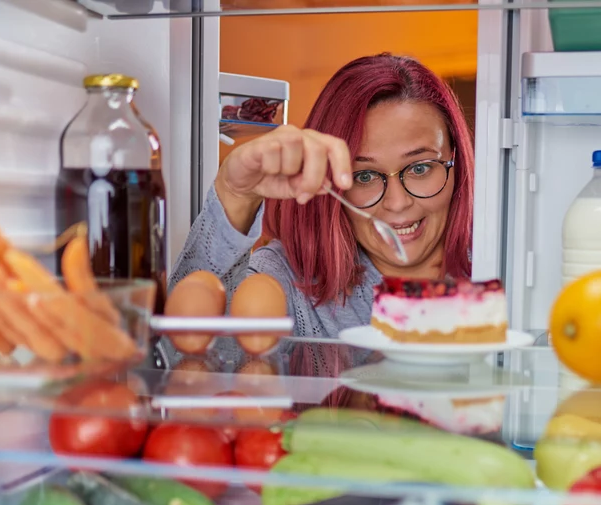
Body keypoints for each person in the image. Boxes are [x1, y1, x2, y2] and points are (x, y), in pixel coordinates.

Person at [170, 53, 475, 340]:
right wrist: (236, 195)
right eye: (364, 176)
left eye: (420, 168)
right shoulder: (287, 281)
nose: (397, 203)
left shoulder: (505, 265)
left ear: (456, 162)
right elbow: (182, 356)